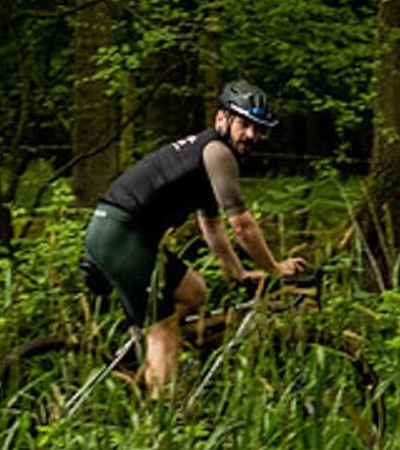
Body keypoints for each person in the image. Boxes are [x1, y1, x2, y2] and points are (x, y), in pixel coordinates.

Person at [82, 79, 305, 394]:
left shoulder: (206, 155)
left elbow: (212, 225)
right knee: (164, 326)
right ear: (221, 119)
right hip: (122, 236)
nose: (252, 135)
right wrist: (274, 268)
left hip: (122, 234)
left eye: (258, 128)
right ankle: (156, 426)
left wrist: (237, 272)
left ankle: (147, 370)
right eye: (244, 124)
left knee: (194, 292)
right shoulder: (218, 153)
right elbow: (242, 225)